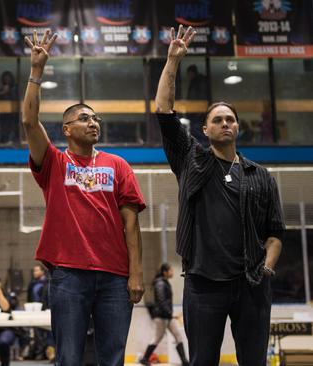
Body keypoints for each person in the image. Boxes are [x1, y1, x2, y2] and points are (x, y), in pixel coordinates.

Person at [155, 25, 284, 365]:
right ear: (205, 129)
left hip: (252, 285)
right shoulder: (192, 160)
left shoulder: (262, 176)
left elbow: (275, 234)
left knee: (253, 361)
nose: (225, 123)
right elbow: (164, 114)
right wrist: (172, 61)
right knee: (202, 361)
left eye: (230, 119)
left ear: (238, 127)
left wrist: (266, 271)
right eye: (217, 120)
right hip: (203, 284)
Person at [22, 30, 146, 366]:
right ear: (66, 129)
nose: (94, 123)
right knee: (69, 358)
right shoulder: (54, 163)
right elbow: (29, 122)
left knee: (112, 358)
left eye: (96, 119)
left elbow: (131, 224)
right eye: (85, 118)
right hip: (68, 275)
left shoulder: (117, 164)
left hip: (115, 276)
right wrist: (36, 72)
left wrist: (135, 272)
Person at [139, 263, 188, 366]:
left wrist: (170, 315)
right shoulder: (160, 284)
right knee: (157, 338)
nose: (172, 272)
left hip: (167, 316)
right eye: (170, 270)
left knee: (178, 336)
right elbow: (161, 301)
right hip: (161, 316)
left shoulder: (164, 283)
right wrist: (171, 314)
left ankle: (185, 362)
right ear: (165, 272)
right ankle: (145, 359)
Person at [0, 71, 20, 144]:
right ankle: (3, 142)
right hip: (4, 116)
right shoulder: (2, 89)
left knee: (14, 131)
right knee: (4, 131)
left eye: (8, 78)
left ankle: (14, 142)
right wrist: (3, 92)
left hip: (14, 116)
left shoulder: (15, 88)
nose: (7, 80)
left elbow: (17, 99)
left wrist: (9, 91)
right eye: (5, 78)